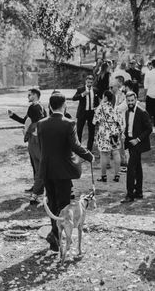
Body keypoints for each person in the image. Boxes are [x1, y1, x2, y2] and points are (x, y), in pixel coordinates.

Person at [37, 92, 94, 252]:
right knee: (63, 205)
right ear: (64, 106)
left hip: (47, 170)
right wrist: (89, 156)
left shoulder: (41, 124)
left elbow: (43, 148)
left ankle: (55, 235)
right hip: (63, 171)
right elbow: (75, 146)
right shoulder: (69, 124)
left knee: (53, 202)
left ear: (50, 106)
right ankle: (55, 236)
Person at [7, 88, 46, 204]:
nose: (27, 97)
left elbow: (38, 122)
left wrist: (29, 131)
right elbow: (25, 121)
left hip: (35, 140)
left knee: (38, 166)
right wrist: (13, 116)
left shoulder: (35, 107)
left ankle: (37, 192)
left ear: (35, 95)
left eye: (29, 95)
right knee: (36, 165)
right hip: (35, 139)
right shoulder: (38, 107)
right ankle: (36, 187)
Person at [121, 92, 153, 203]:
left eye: (132, 100)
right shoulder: (126, 112)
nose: (130, 103)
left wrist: (138, 139)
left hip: (138, 143)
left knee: (130, 169)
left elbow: (149, 128)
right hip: (130, 142)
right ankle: (138, 191)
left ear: (136, 100)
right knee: (138, 167)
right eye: (128, 101)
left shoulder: (142, 112)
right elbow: (129, 127)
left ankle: (130, 195)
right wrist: (125, 135)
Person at [92, 90, 123, 183]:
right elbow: (120, 122)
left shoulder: (100, 108)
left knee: (104, 154)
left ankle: (103, 176)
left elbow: (94, 121)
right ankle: (117, 175)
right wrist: (120, 132)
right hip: (114, 132)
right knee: (116, 153)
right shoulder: (116, 108)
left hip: (104, 132)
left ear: (105, 97)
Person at [72, 75, 99, 151]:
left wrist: (96, 108)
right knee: (79, 131)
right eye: (88, 82)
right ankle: (78, 148)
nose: (89, 84)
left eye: (91, 82)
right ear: (85, 82)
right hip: (82, 113)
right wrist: (82, 94)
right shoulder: (80, 89)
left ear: (92, 82)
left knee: (91, 131)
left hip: (91, 113)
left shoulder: (95, 90)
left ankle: (89, 149)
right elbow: (74, 98)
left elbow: (96, 102)